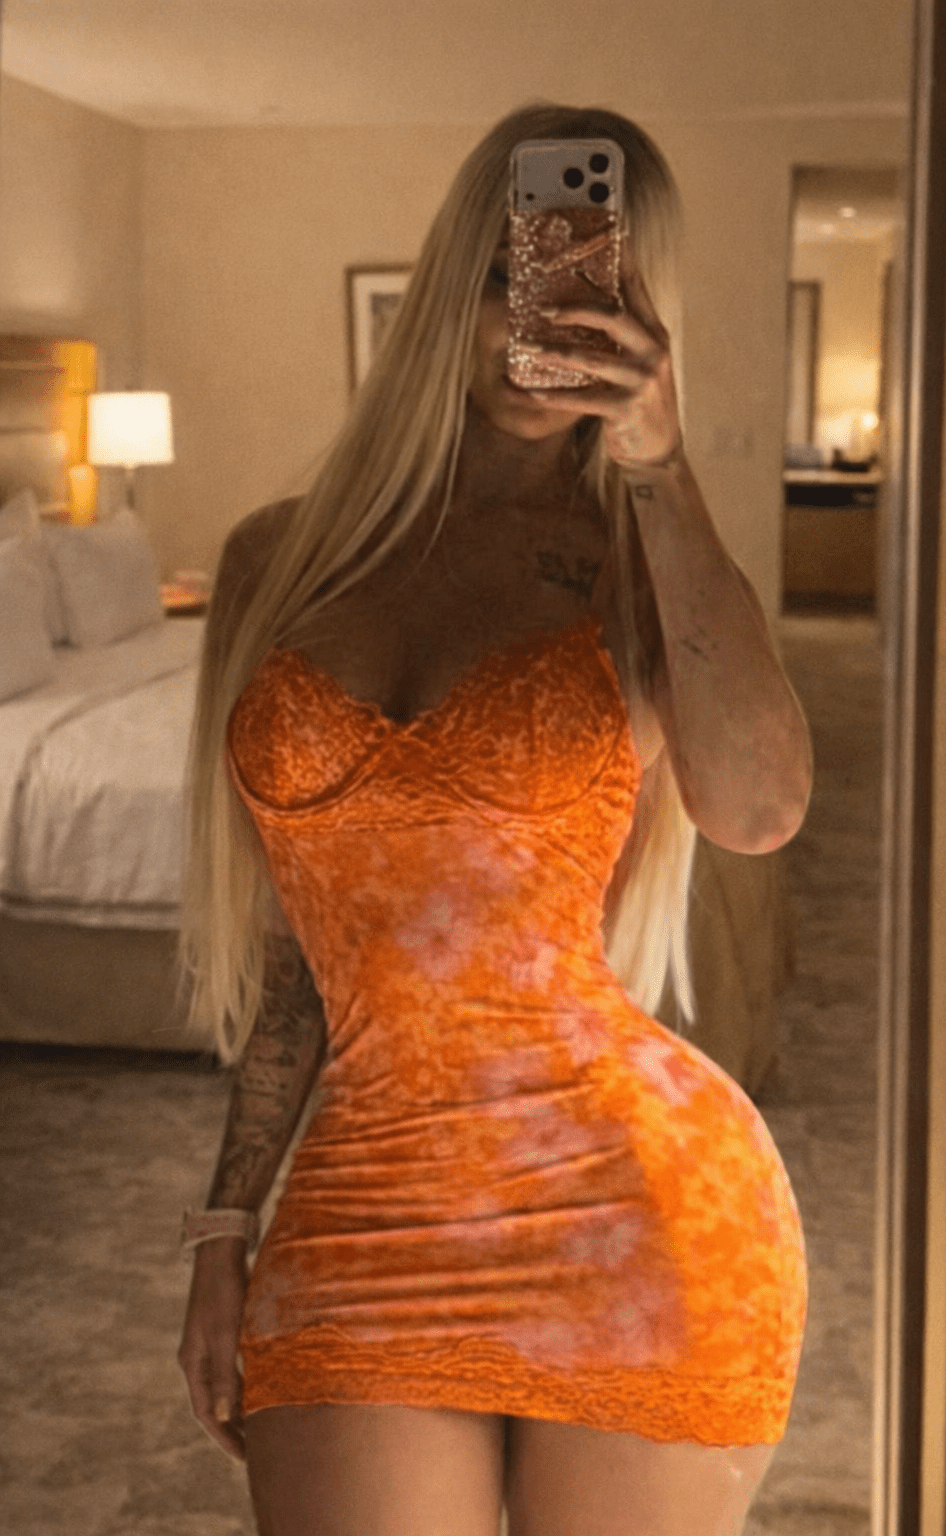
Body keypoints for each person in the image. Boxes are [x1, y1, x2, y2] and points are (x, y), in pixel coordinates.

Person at [176, 102, 813, 1536]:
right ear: (451, 288)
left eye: (605, 289)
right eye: (520, 278)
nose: (554, 326)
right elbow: (297, 956)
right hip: (365, 1198)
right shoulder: (279, 560)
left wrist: (660, 467)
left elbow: (762, 810)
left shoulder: (643, 564)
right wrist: (224, 1224)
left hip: (634, 1205)